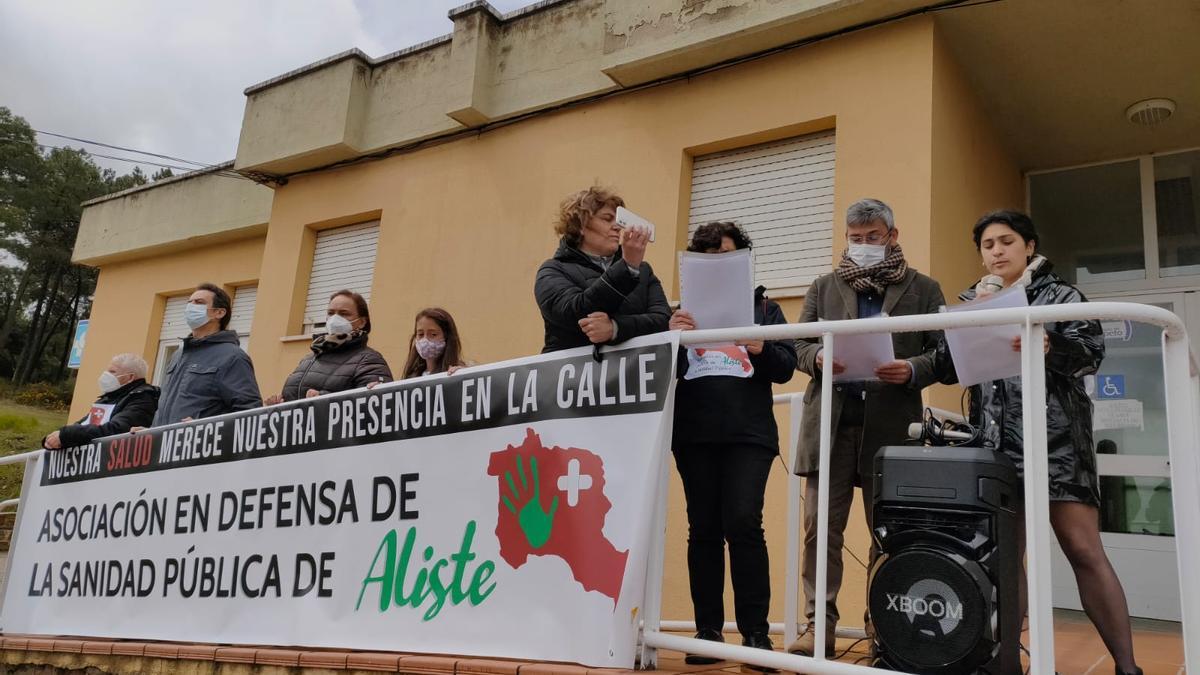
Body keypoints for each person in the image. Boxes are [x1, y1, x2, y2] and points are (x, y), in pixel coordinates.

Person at [956, 210, 1141, 675]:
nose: (996, 251)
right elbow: (950, 361)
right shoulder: (972, 299)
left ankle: (1127, 667)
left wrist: (1050, 347)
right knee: (1006, 558)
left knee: (1083, 549)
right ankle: (1009, 667)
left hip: (1056, 441)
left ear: (1030, 247)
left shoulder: (1061, 295)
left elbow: (1090, 353)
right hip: (996, 445)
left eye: (1006, 242)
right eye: (988, 245)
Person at [790, 198, 948, 656]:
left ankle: (885, 627)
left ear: (892, 236)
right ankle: (818, 626)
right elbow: (797, 344)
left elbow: (943, 353)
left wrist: (913, 369)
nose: (863, 246)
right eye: (855, 239)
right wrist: (817, 357)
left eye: (873, 238)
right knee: (821, 529)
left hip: (892, 426)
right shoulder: (824, 286)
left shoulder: (924, 288)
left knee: (890, 532)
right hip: (832, 425)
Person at [668, 222, 797, 670]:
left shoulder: (766, 309)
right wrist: (673, 338)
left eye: (726, 255)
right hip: (694, 434)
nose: (718, 264)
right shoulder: (680, 312)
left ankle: (756, 636)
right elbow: (666, 374)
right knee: (702, 528)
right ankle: (707, 634)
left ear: (742, 259)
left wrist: (761, 347)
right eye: (707, 257)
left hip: (750, 435)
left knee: (743, 523)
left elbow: (786, 368)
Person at [534, 186, 670, 353]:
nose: (617, 227)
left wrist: (615, 328)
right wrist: (627, 268)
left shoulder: (643, 270)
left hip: (632, 375)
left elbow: (663, 321)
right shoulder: (552, 270)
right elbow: (575, 313)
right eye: (607, 219)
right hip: (575, 377)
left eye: (618, 220)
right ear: (580, 225)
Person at [151, 283, 262, 426]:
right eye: (189, 302)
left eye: (199, 302)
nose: (191, 307)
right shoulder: (178, 355)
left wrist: (206, 427)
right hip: (166, 445)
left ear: (220, 313)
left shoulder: (232, 356)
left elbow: (249, 411)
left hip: (202, 446)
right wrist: (151, 430)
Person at [264, 290, 392, 404]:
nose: (335, 318)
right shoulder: (309, 359)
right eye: (331, 313)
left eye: (344, 314)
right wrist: (277, 407)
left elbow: (377, 407)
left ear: (362, 322)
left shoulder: (369, 360)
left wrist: (325, 400)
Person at [42, 353, 159, 449]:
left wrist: (66, 435)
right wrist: (56, 438)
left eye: (112, 372)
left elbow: (117, 429)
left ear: (130, 377)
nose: (106, 375)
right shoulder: (109, 397)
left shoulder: (143, 398)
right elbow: (85, 424)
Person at [400, 307, 466, 379]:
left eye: (433, 334)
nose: (425, 340)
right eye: (421, 334)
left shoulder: (458, 371)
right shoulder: (412, 377)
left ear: (447, 337)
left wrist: (463, 375)